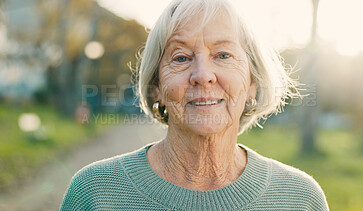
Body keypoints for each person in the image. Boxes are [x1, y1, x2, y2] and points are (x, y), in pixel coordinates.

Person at [60, 0, 329, 210]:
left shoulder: (300, 198)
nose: (202, 75)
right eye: (181, 57)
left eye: (223, 55)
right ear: (157, 89)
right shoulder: (94, 192)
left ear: (252, 84)